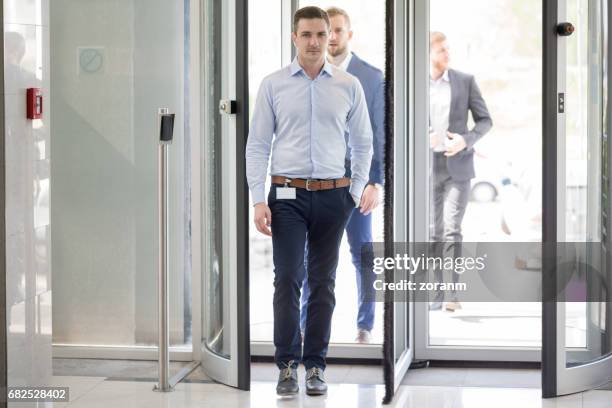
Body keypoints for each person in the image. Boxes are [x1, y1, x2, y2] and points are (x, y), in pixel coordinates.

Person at [245, 6, 373, 397]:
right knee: (287, 278)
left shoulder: (348, 84)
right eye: (308, 35)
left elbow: (364, 142)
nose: (316, 41)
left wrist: (354, 192)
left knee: (323, 283)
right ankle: (286, 365)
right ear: (294, 38)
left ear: (330, 37)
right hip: (286, 196)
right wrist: (257, 199)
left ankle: (316, 366)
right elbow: (258, 144)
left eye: (322, 34)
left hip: (334, 197)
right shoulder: (273, 84)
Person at [299, 6, 384, 344]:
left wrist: (375, 182)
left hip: (355, 182)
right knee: (313, 254)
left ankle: (365, 323)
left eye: (336, 31)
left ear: (349, 34)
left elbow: (380, 133)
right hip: (315, 184)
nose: (330, 37)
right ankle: (306, 324)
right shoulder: (308, 74)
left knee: (361, 253)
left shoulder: (371, 76)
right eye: (325, 31)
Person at [428, 31, 492, 312]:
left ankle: (453, 294)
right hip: (427, 167)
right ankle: (435, 294)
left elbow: (485, 120)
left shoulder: (465, 81)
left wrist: (465, 139)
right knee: (433, 232)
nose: (447, 53)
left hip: (459, 166)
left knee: (453, 230)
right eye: (441, 49)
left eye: (448, 48)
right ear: (427, 53)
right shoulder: (413, 84)